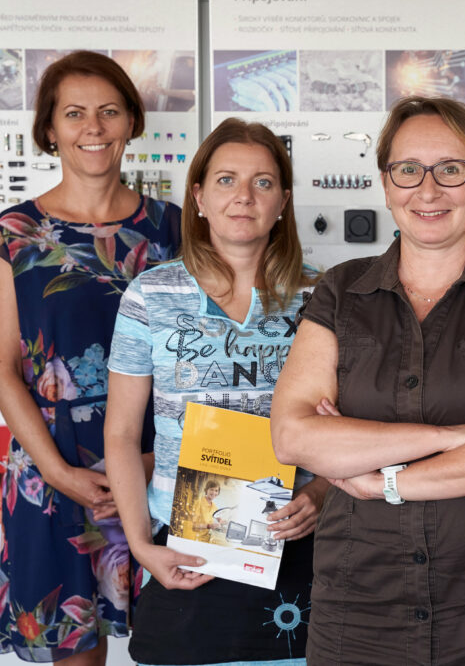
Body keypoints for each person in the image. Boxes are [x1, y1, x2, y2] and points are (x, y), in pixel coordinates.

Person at [271, 96, 465, 665]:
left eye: (450, 169)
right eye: (408, 170)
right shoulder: (339, 291)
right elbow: (293, 437)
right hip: (359, 615)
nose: (428, 190)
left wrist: (385, 481)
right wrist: (455, 437)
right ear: (386, 186)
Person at [0, 50, 181, 664]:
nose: (93, 127)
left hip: (158, 463)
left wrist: (149, 464)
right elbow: (2, 370)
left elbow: (196, 362)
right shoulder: (13, 235)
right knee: (75, 651)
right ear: (49, 128)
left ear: (132, 122)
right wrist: (60, 474)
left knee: (181, 638)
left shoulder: (175, 231)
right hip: (53, 467)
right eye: (74, 113)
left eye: (109, 111)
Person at [104, 117, 325, 666]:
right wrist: (141, 546)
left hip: (297, 546)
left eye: (263, 182)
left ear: (283, 202)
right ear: (199, 197)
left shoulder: (321, 297)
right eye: (226, 180)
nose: (244, 196)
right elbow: (122, 433)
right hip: (184, 548)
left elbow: (345, 426)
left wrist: (321, 495)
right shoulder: (150, 295)